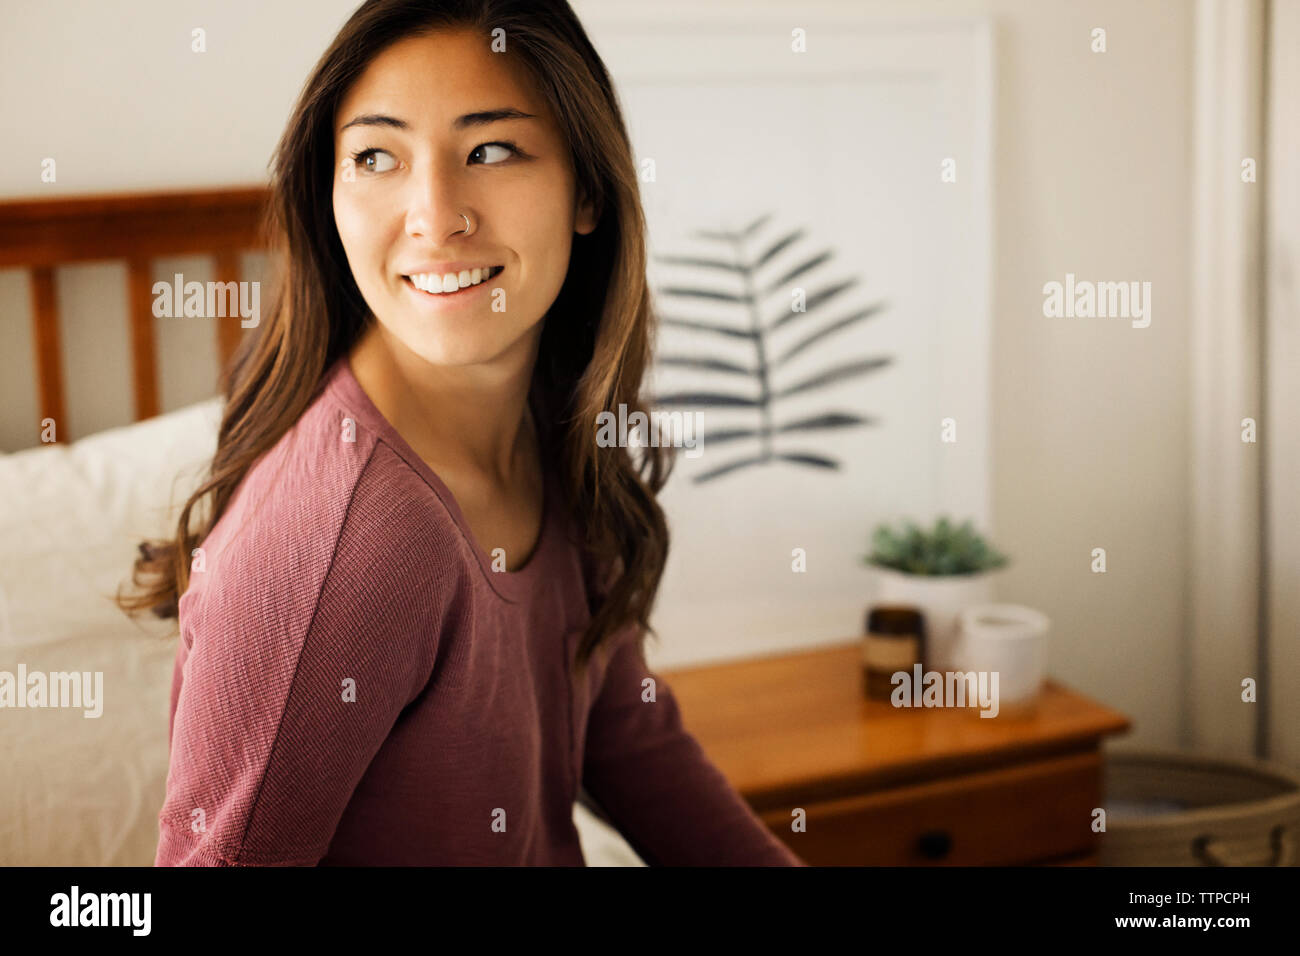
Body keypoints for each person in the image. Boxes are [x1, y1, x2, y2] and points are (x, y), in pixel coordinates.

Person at [118, 0, 804, 867]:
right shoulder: (351, 548)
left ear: (587, 188)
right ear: (328, 197)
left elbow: (632, 740)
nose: (435, 216)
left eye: (489, 149)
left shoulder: (552, 431)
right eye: (376, 157)